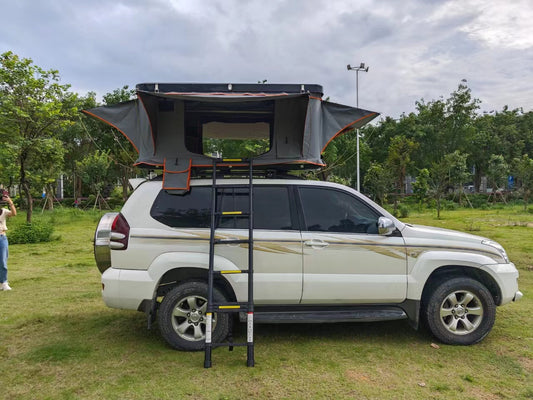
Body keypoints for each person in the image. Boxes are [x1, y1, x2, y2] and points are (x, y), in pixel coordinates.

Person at [0, 190, 17, 291]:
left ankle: (4, 282)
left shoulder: (3, 211)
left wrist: (10, 202)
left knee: (2, 261)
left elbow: (14, 214)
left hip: (2, 238)